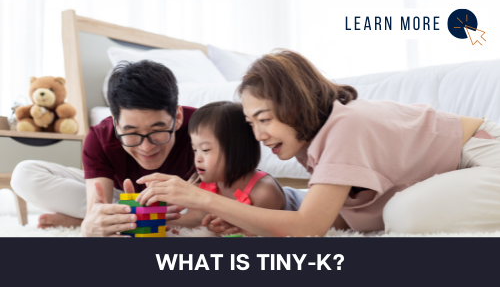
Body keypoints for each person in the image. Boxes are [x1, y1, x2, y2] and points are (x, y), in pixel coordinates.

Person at [132, 49, 500, 237]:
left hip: (484, 154)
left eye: (264, 119)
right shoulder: (315, 142)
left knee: (402, 217)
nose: (258, 135)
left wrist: (200, 197)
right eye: (251, 123)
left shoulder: (345, 126)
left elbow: (310, 227)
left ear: (295, 106)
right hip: (459, 168)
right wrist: (246, 220)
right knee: (382, 217)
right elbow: (335, 219)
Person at [11, 60, 195, 236]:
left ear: (177, 117)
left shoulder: (204, 128)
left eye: (158, 130)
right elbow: (98, 205)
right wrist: (91, 224)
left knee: (203, 209)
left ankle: (120, 221)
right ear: (116, 124)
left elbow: (212, 203)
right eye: (131, 132)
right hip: (120, 195)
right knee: (24, 174)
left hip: (181, 200)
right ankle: (128, 219)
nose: (146, 147)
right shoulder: (101, 136)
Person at [167, 101, 305, 236]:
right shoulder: (201, 181)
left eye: (205, 149)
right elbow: (195, 217)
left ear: (236, 150)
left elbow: (258, 232)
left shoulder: (263, 192)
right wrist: (161, 224)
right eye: (194, 149)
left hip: (304, 205)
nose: (197, 158)